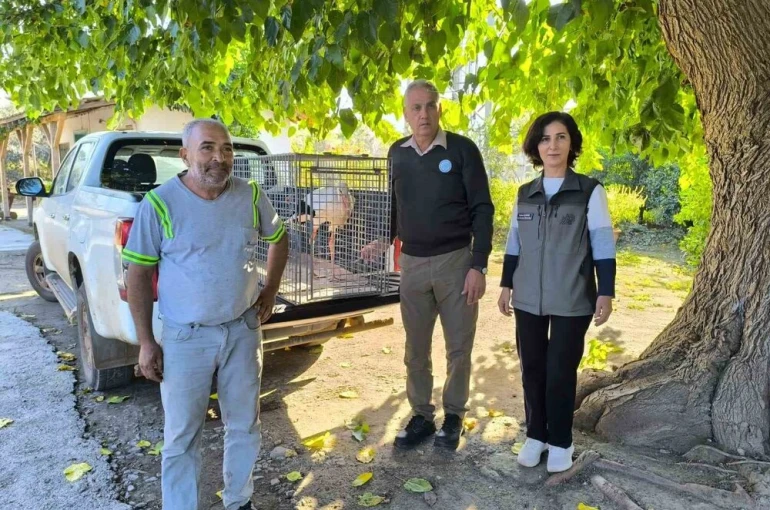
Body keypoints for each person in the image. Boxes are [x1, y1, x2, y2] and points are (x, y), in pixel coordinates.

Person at [124, 118, 289, 510]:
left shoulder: (250, 194)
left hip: (242, 330)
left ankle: (239, 501)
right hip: (186, 337)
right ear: (185, 155)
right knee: (182, 435)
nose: (220, 157)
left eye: (227, 148)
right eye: (208, 148)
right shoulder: (159, 204)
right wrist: (146, 342)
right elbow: (138, 274)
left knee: (244, 424)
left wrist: (270, 290)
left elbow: (279, 238)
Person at [361, 79, 494, 451]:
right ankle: (421, 415)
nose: (424, 114)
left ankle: (453, 417)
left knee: (458, 348)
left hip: (457, 263)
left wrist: (479, 265)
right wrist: (384, 238)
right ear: (405, 113)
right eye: (416, 107)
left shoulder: (463, 150)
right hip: (413, 264)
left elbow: (483, 209)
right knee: (415, 349)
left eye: (430, 106)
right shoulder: (397, 153)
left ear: (440, 109)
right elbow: (394, 204)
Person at [497, 111, 616, 473]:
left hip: (572, 297)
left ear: (571, 143)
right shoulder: (525, 193)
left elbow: (603, 244)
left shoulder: (589, 191)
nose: (553, 146)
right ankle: (536, 435)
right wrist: (505, 284)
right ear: (536, 147)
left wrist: (606, 291)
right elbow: (514, 242)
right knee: (532, 368)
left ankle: (561, 441)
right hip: (527, 297)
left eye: (561, 137)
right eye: (545, 139)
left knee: (560, 370)